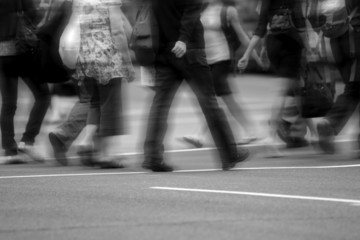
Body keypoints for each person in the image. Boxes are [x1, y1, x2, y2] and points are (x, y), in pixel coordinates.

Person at [142, 0, 250, 172]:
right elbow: (192, 10)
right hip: (189, 50)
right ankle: (229, 153)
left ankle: (152, 157)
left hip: (163, 53)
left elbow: (152, 17)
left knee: (160, 105)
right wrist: (183, 39)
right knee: (209, 103)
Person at [181, 0, 264, 148]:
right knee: (226, 99)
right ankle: (250, 131)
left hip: (222, 58)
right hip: (206, 60)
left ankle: (199, 135)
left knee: (213, 98)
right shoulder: (202, 9)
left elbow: (241, 35)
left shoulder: (228, 11)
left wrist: (252, 55)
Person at [238, 0, 316, 155]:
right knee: (282, 92)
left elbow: (261, 29)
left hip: (273, 45)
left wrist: (248, 54)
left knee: (299, 90)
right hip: (290, 46)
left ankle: (314, 134)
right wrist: (309, 49)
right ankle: (271, 136)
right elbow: (300, 26)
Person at [68, 0, 135, 168]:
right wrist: (127, 62)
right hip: (107, 58)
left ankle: (86, 140)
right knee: (110, 106)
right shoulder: (109, 1)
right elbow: (118, 32)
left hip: (85, 57)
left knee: (95, 103)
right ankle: (107, 155)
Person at [0, 0, 51, 164]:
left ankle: (9, 151)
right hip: (22, 51)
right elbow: (35, 16)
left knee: (8, 103)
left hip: (2, 53)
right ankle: (28, 141)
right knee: (42, 95)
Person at [316, 0, 360, 155]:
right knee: (354, 90)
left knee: (353, 90)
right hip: (354, 41)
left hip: (338, 40)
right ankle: (331, 122)